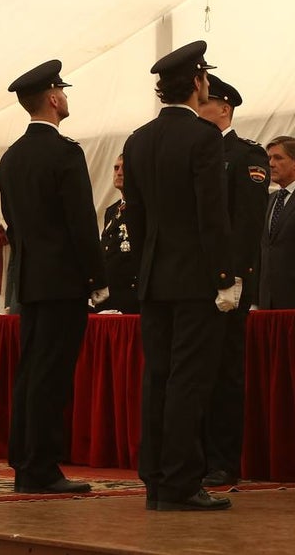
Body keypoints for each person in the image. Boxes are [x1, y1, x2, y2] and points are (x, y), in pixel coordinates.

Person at [122, 40, 239, 512]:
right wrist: (225, 276)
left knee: (158, 379)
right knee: (189, 381)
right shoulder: (204, 138)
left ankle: (155, 480)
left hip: (155, 278)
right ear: (197, 82)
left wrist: (146, 268)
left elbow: (135, 217)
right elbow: (212, 215)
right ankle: (182, 482)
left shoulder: (138, 139)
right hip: (194, 280)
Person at [0, 60, 108, 495]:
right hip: (63, 282)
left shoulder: (11, 157)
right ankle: (41, 468)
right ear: (54, 98)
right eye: (62, 90)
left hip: (30, 281)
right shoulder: (65, 153)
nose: (65, 96)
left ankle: (25, 462)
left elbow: (12, 222)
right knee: (53, 376)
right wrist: (96, 277)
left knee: (31, 373)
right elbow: (80, 222)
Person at [197, 74, 270, 488]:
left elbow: (247, 223)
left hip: (227, 281)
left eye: (205, 102)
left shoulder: (246, 155)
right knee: (196, 370)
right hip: (194, 278)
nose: (199, 107)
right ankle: (195, 454)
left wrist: (236, 277)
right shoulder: (196, 150)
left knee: (225, 371)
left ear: (224, 109)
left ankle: (222, 459)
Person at [258, 136, 295, 310]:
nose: (271, 164)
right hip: (267, 300)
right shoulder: (270, 199)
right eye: (269, 158)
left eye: (278, 158)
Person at [99, 154, 141, 314]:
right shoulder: (111, 211)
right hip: (110, 297)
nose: (119, 173)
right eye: (116, 168)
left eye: (125, 169)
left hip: (132, 298)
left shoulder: (143, 209)